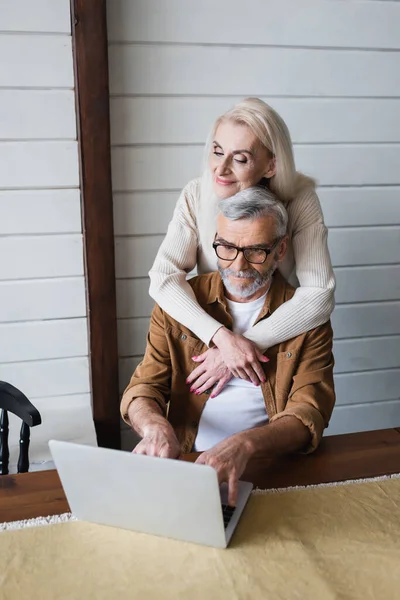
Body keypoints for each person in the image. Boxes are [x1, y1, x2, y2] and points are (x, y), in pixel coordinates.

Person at [121, 188, 335, 505]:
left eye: (256, 251)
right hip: (188, 467)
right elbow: (144, 388)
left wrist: (243, 446)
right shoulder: (179, 303)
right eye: (226, 247)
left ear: (281, 249)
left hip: (270, 471)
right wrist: (155, 428)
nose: (238, 265)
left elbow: (309, 413)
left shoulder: (306, 316)